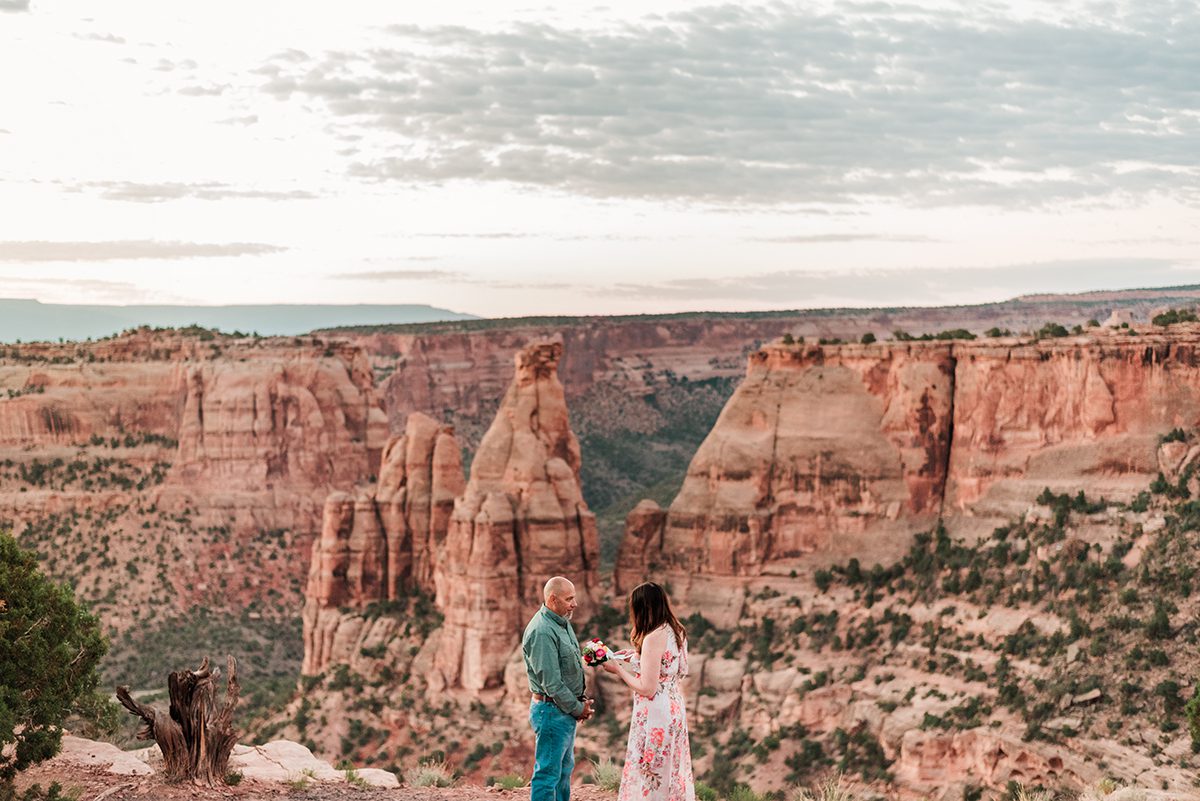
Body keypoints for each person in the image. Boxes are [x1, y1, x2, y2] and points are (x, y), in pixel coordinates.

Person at [603, 581, 695, 801]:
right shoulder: (676, 630)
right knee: (670, 767)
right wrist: (636, 657)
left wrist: (619, 671)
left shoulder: (654, 637)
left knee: (651, 768)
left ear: (643, 608)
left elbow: (648, 688)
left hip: (656, 713)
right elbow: (669, 667)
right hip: (674, 707)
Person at [523, 576, 595, 801]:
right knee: (547, 774)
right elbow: (552, 683)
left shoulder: (561, 622)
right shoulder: (542, 631)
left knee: (563, 772)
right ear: (553, 599)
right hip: (551, 712)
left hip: (562, 711)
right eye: (569, 599)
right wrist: (577, 708)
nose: (574, 604)